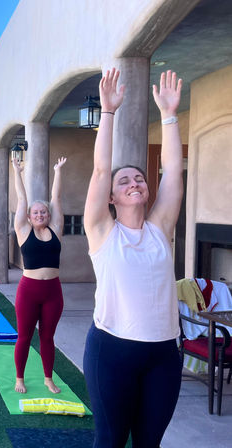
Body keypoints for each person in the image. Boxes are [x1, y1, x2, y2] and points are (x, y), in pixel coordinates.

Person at [83, 68, 183, 447]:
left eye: (139, 179)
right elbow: (100, 169)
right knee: (109, 440)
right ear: (111, 197)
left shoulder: (161, 229)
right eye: (124, 181)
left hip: (162, 355)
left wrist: (169, 115)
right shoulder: (103, 232)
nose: (134, 183)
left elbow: (173, 170)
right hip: (111, 351)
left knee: (148, 443)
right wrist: (107, 112)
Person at [12, 155, 67, 394]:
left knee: (48, 337)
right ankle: (20, 378)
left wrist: (58, 171)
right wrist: (17, 170)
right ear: (28, 216)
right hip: (29, 291)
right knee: (24, 337)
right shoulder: (23, 230)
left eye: (43, 212)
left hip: (53, 292)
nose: (39, 215)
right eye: (35, 212)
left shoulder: (56, 229)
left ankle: (48, 378)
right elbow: (22, 199)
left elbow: (56, 198)